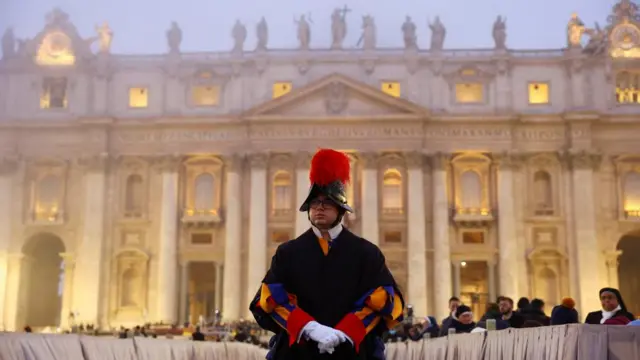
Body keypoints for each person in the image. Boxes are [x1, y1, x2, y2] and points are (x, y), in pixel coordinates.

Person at [249, 149, 405, 360]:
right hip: (299, 351)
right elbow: (269, 300)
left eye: (327, 203)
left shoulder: (366, 252)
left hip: (351, 352)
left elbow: (386, 301)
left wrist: (346, 331)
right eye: (314, 203)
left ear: (340, 210)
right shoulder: (288, 252)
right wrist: (309, 328)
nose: (319, 208)